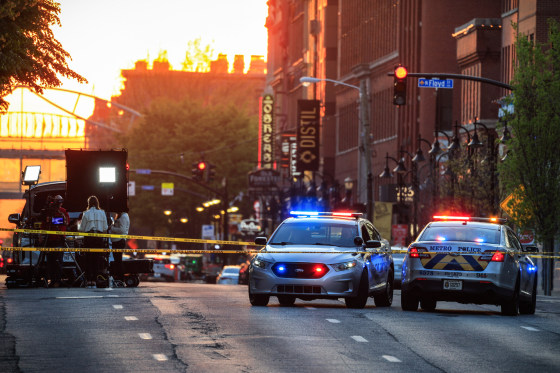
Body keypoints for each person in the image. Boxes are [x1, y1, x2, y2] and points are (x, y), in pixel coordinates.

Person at [40, 195, 70, 287]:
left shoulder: (63, 212)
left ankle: (57, 280)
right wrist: (41, 235)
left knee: (58, 261)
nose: (59, 204)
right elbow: (44, 224)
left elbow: (66, 222)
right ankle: (52, 280)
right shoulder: (49, 212)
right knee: (50, 261)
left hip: (59, 239)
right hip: (50, 239)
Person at [78, 196, 108, 287]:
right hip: (98, 238)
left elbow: (82, 228)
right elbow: (105, 227)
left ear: (89, 203)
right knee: (96, 259)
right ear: (97, 203)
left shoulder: (86, 213)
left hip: (89, 238)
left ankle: (88, 280)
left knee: (88, 259)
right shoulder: (102, 213)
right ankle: (94, 280)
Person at [110, 209, 130, 282]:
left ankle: (120, 278)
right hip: (117, 240)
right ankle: (119, 277)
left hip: (119, 240)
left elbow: (122, 230)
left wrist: (112, 228)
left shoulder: (123, 217)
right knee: (117, 260)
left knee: (118, 260)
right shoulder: (122, 216)